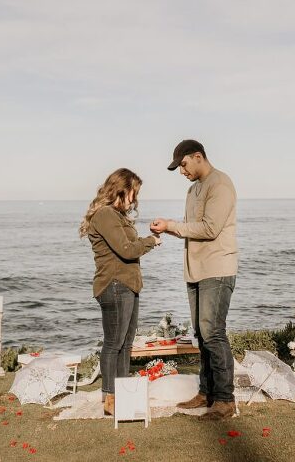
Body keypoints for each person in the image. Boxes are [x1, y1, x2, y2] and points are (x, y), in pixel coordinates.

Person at [150, 140, 238, 421]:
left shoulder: (220, 184)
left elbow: (210, 229)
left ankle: (225, 400)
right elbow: (192, 228)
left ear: (198, 156)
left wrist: (171, 226)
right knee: (202, 334)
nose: (182, 171)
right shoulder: (192, 190)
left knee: (213, 333)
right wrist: (168, 227)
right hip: (196, 271)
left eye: (184, 164)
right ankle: (206, 392)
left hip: (217, 269)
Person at [80, 168, 161, 416]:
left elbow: (129, 246)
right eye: (134, 192)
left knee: (125, 344)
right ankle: (109, 398)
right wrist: (151, 241)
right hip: (114, 285)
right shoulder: (105, 214)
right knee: (114, 343)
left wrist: (147, 239)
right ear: (122, 190)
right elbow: (126, 250)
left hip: (129, 285)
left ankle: (122, 394)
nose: (135, 199)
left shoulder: (117, 215)